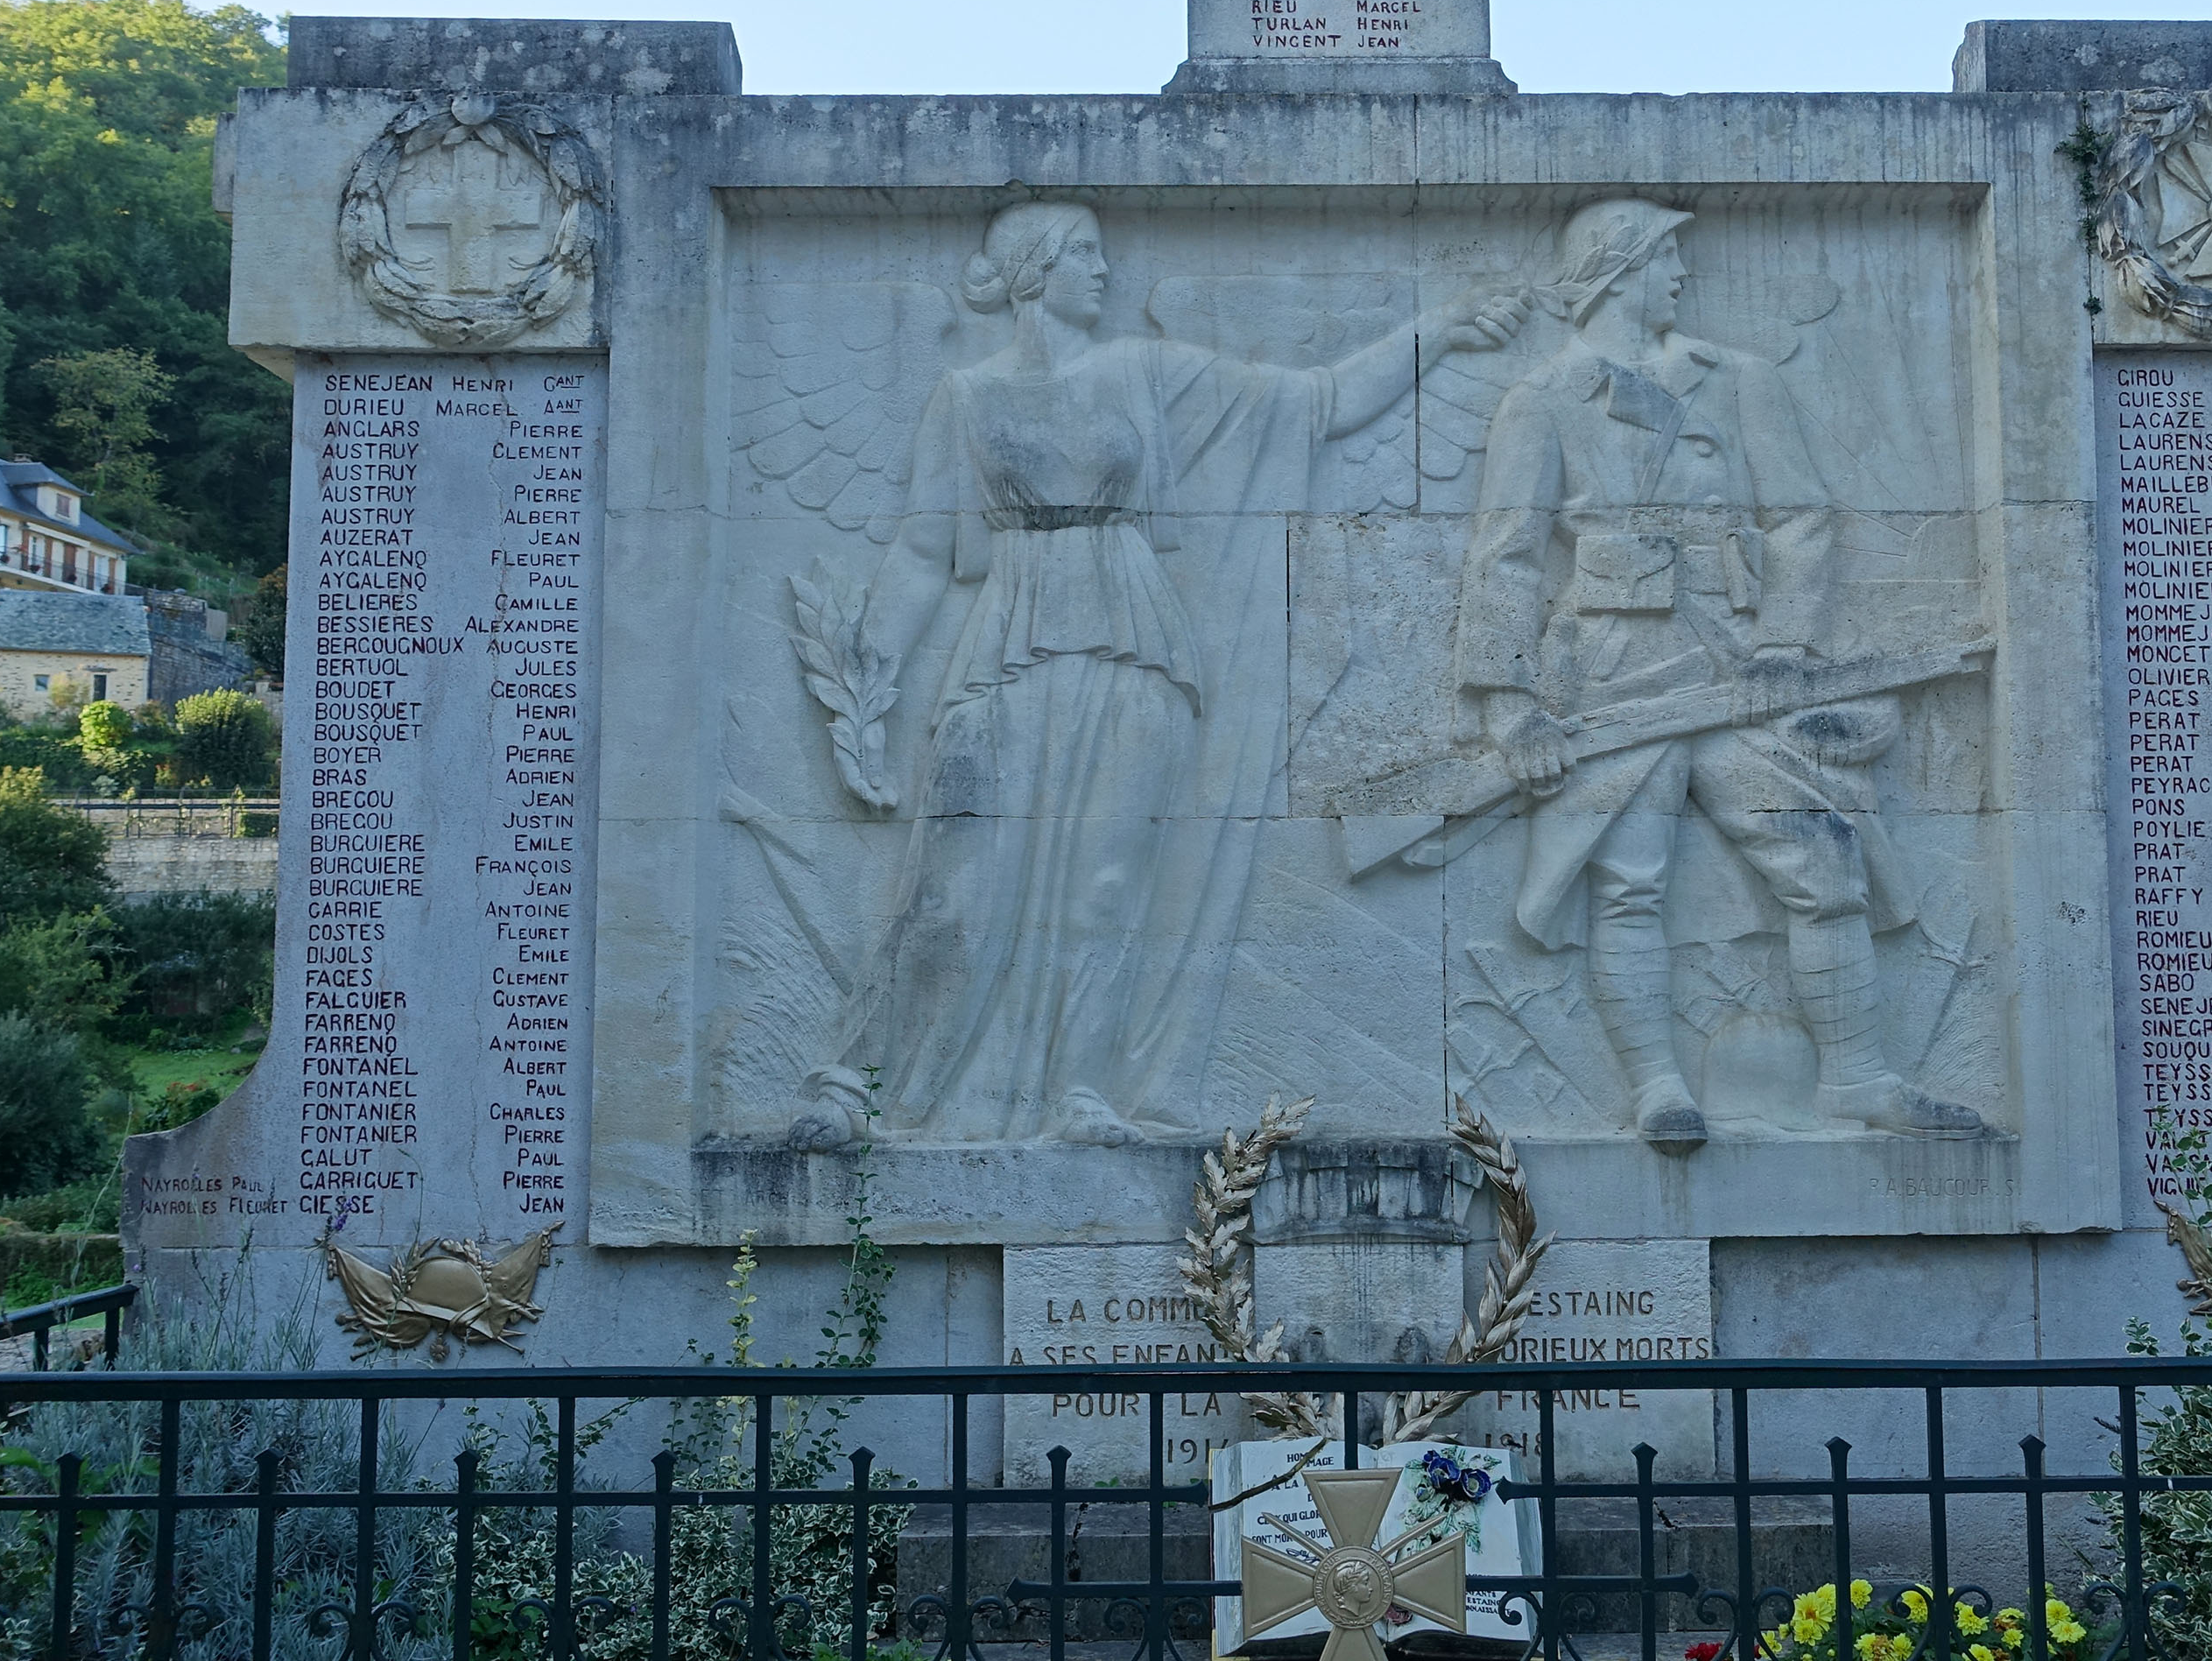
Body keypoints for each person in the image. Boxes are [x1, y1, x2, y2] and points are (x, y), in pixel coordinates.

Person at [831, 201, 1525, 1144]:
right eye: (1083, 253)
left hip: (1137, 643)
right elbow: (921, 551)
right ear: (1033, 271)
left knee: (1109, 885)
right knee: (949, 889)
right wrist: (868, 695)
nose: (1103, 271)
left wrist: (1436, 330)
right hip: (1005, 645)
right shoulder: (967, 396)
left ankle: (1082, 1092)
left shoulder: (1144, 371)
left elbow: (1316, 401)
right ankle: (857, 1085)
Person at [1454, 198, 1983, 1144]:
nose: (1682, 275)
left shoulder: (1736, 379)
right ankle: (1659, 1090)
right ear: (1619, 272)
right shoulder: (1544, 398)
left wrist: (1783, 644)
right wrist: (1510, 705)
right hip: (1612, 671)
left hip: (1738, 663)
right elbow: (1507, 557)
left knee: (1825, 859)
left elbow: (1800, 516)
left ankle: (1858, 1078)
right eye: (1665, 258)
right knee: (1628, 883)